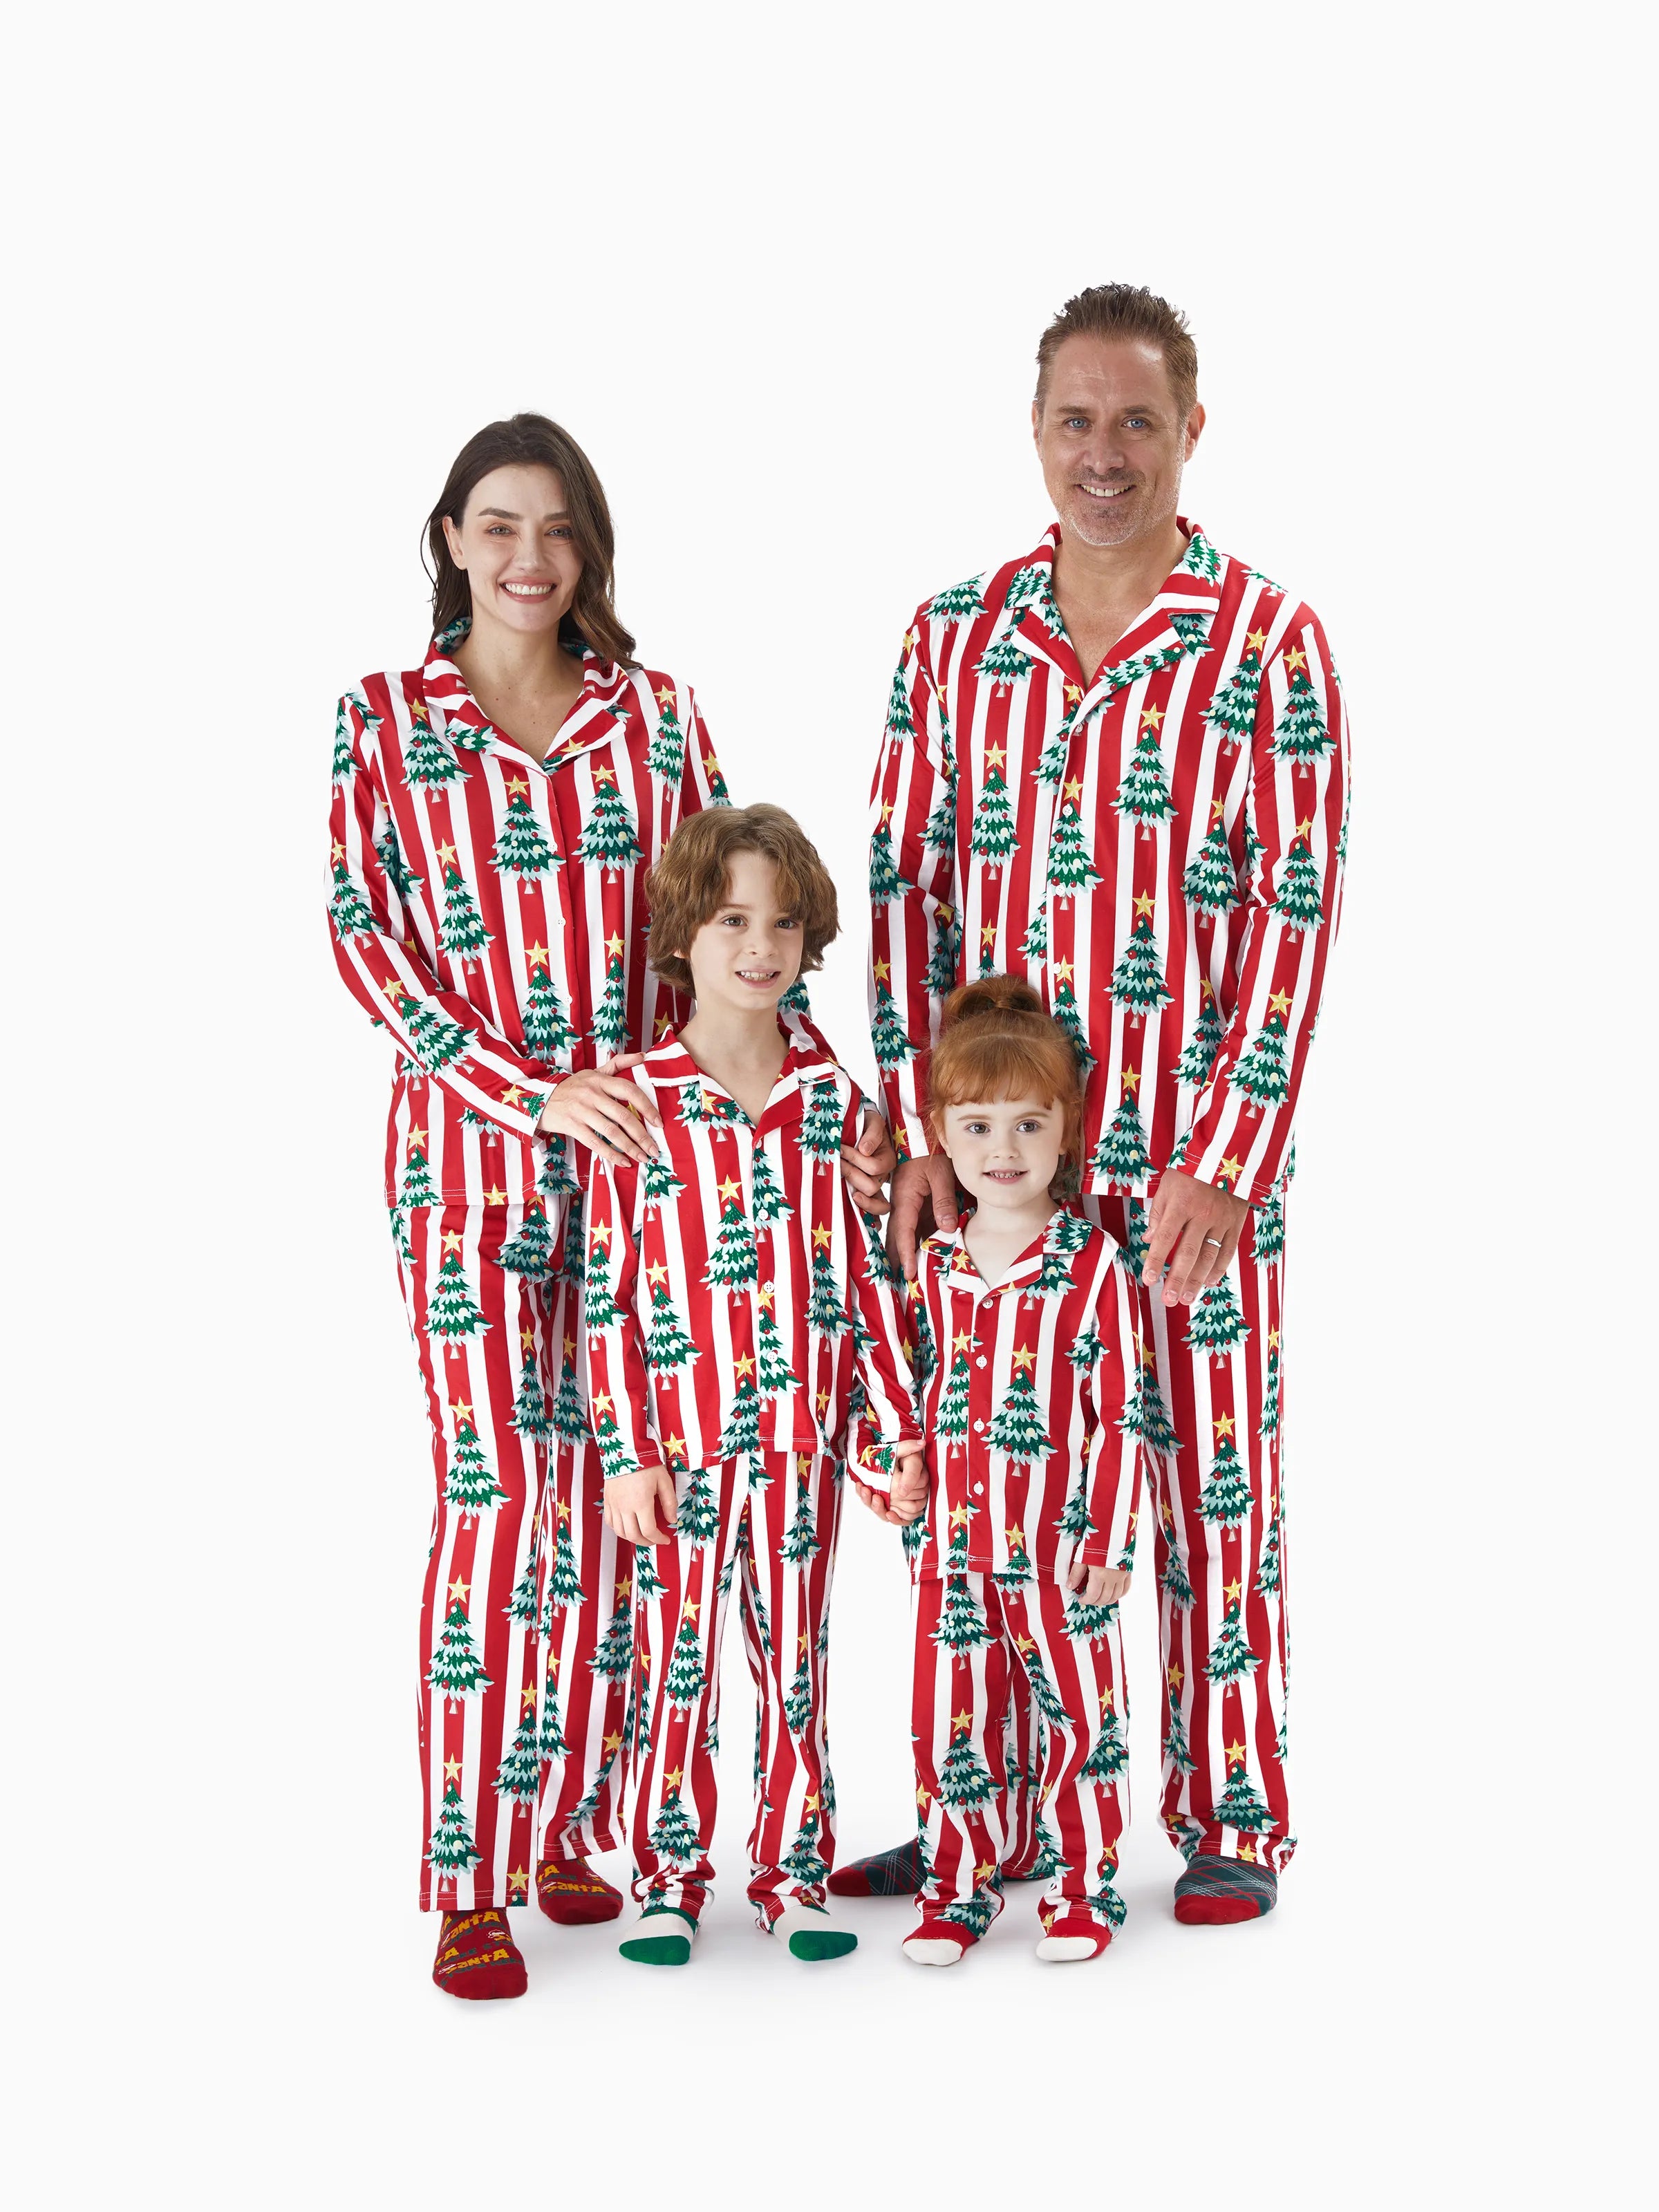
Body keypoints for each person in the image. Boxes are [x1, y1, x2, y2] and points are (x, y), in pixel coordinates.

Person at [328, 416, 892, 1999]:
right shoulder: (383, 721)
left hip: (671, 1171)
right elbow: (365, 939)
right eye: (500, 525)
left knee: (632, 1506)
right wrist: (529, 1094)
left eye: (560, 528)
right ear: (451, 539)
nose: (532, 557)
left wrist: (830, 1108)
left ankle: (581, 1824)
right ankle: (470, 1875)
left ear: (591, 549)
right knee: (503, 1498)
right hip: (475, 1173)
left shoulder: (659, 714)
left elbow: (735, 921)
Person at [840, 283, 1349, 1925]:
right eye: (1077, 419)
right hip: (998, 1166)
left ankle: (1231, 1814)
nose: (1105, 452)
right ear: (1036, 430)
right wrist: (921, 1129)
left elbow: (1292, 915)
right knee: (976, 1504)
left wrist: (1231, 1159)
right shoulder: (952, 634)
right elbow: (904, 888)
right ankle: (980, 1818)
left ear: (1192, 430)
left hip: (1188, 1163)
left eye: (1137, 420)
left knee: (1210, 1488)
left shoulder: (1267, 642)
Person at [581, 807, 917, 1966]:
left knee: (795, 1665)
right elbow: (608, 1294)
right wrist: (626, 1454)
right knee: (674, 1669)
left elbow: (867, 1279)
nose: (760, 946)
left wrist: (891, 1427)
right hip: (679, 1445)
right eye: (732, 920)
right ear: (684, 933)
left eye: (780, 924)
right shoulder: (637, 1100)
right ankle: (667, 1881)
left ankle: (791, 1874)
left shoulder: (834, 1104)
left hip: (800, 1436)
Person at [856, 979, 1141, 1966]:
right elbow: (895, 1386)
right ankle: (957, 1890)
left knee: (1081, 1723)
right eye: (977, 1127)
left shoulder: (1092, 1265)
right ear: (941, 1134)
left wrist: (1109, 1541)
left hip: (1060, 1553)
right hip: (952, 1553)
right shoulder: (932, 1263)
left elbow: (1120, 1412)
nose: (1004, 1150)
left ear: (1068, 1132)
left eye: (1029, 1124)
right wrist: (890, 1471)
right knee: (950, 1723)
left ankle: (1084, 1892)